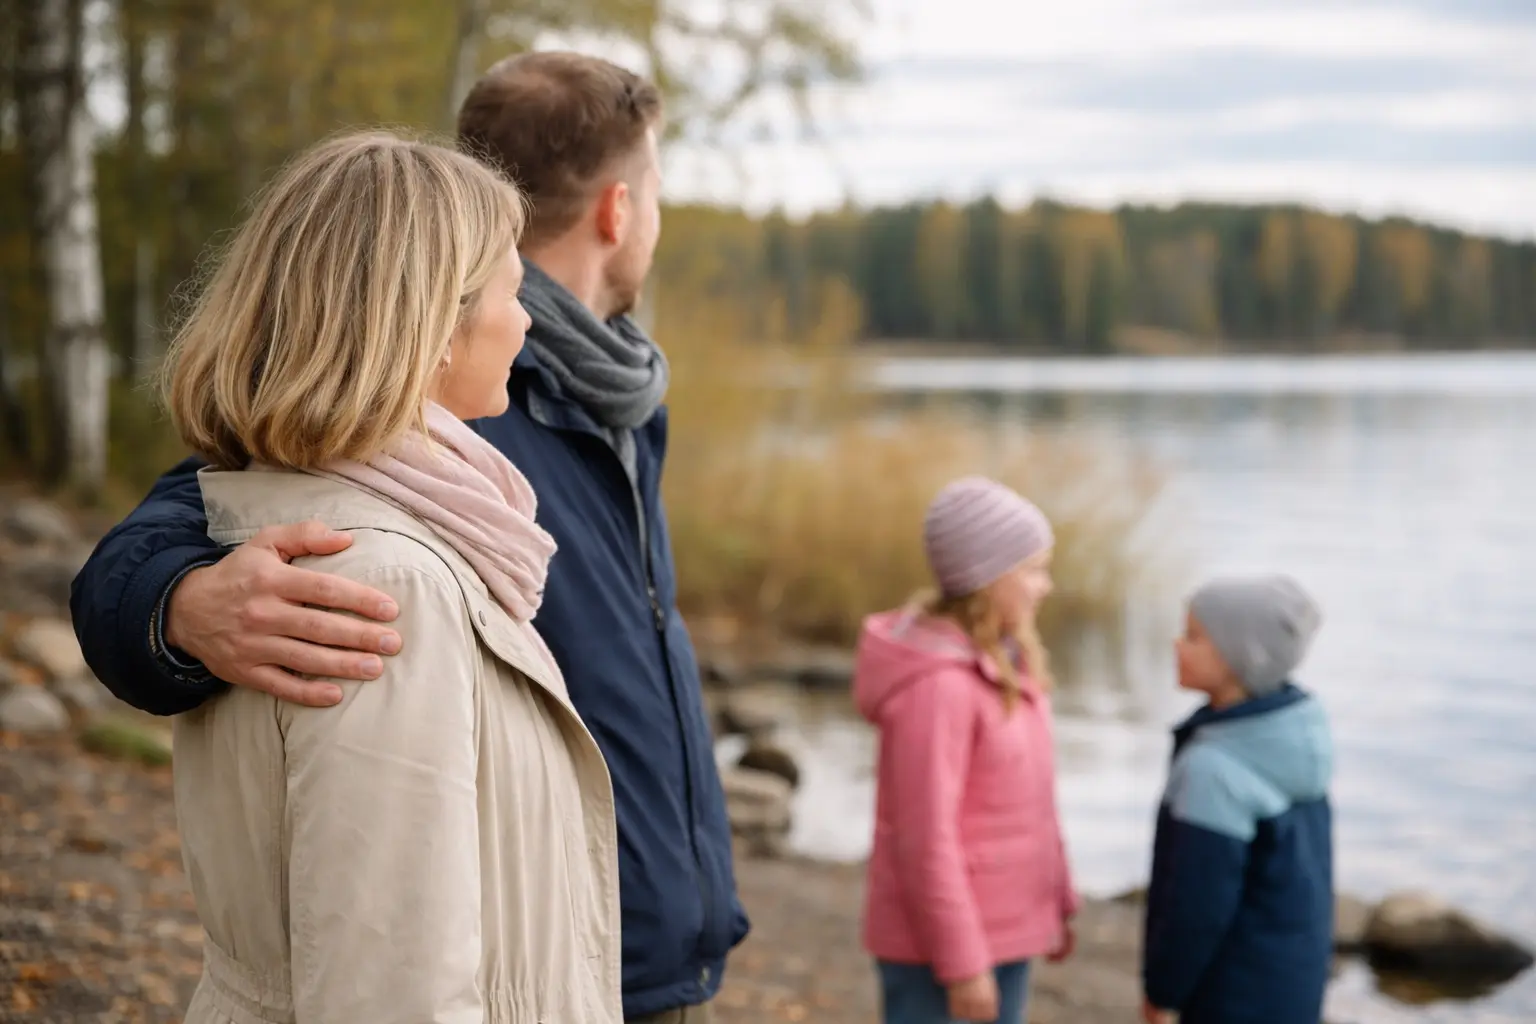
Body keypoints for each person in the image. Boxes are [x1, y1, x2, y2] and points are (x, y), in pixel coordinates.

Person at [69, 52, 744, 1023]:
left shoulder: (603, 409)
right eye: (505, 295)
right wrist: (172, 601)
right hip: (536, 963)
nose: (521, 321)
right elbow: (209, 504)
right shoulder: (392, 514)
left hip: (605, 937)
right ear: (619, 207)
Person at [157, 131, 620, 1022]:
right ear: (432, 326)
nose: (525, 324)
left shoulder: (296, 518)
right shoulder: (380, 581)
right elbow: (390, 986)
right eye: (513, 292)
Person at [853, 476, 1078, 1024]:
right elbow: (925, 839)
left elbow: (1031, 805)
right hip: (943, 952)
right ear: (985, 578)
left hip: (1006, 931)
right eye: (1032, 570)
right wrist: (963, 965)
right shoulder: (938, 689)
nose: (1044, 585)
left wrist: (1057, 899)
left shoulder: (1008, 662)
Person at [1141, 575, 1333, 1024]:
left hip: (1228, 997)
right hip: (1291, 986)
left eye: (1193, 637)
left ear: (1238, 656)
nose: (1177, 645)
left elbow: (1197, 906)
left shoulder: (1213, 770)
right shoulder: (1296, 733)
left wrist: (1163, 992)